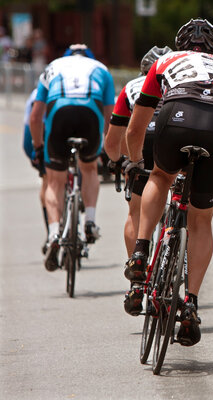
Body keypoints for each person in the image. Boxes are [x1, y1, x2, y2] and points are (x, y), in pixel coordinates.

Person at [124, 19, 213, 347]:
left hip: (176, 113)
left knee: (160, 176)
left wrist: (135, 163)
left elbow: (135, 129)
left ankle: (140, 252)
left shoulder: (166, 60)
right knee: (201, 219)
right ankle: (190, 303)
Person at [29, 44, 115, 271]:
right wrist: (106, 150)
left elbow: (35, 117)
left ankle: (55, 233)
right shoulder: (101, 69)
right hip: (90, 113)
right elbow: (110, 119)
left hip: (60, 113)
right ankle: (90, 221)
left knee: (55, 180)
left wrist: (38, 149)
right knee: (89, 169)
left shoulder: (52, 67)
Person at [104, 45, 172, 255]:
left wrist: (117, 161)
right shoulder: (180, 80)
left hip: (144, 140)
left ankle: (137, 269)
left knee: (135, 212)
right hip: (173, 134)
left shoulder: (131, 86)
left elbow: (113, 139)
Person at [23, 88, 49, 239]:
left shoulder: (41, 88)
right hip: (37, 131)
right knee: (49, 177)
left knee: (49, 179)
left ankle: (50, 232)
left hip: (39, 128)